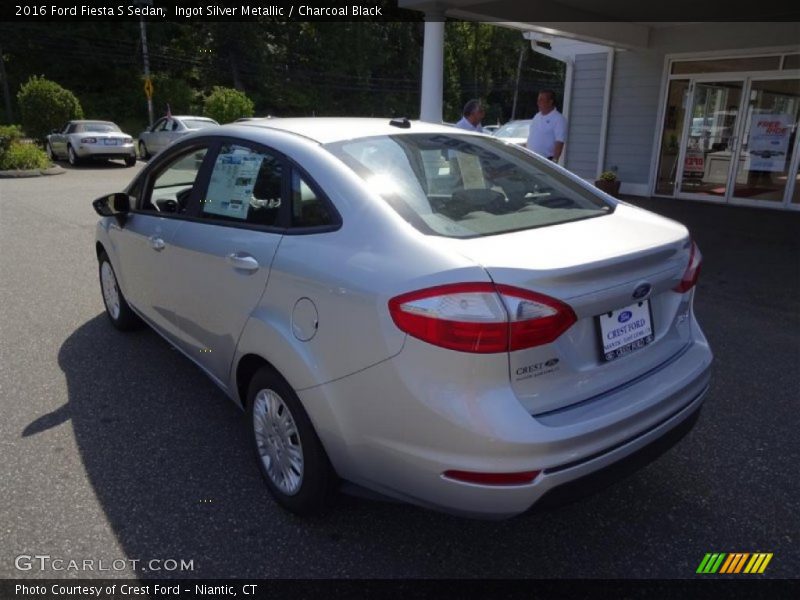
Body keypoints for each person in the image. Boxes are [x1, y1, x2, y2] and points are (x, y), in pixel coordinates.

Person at [526, 89, 567, 161]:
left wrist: (554, 161)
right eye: (538, 100)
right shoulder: (537, 116)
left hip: (545, 160)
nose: (538, 102)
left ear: (550, 102)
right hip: (530, 158)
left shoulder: (558, 119)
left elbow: (559, 142)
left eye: (541, 100)